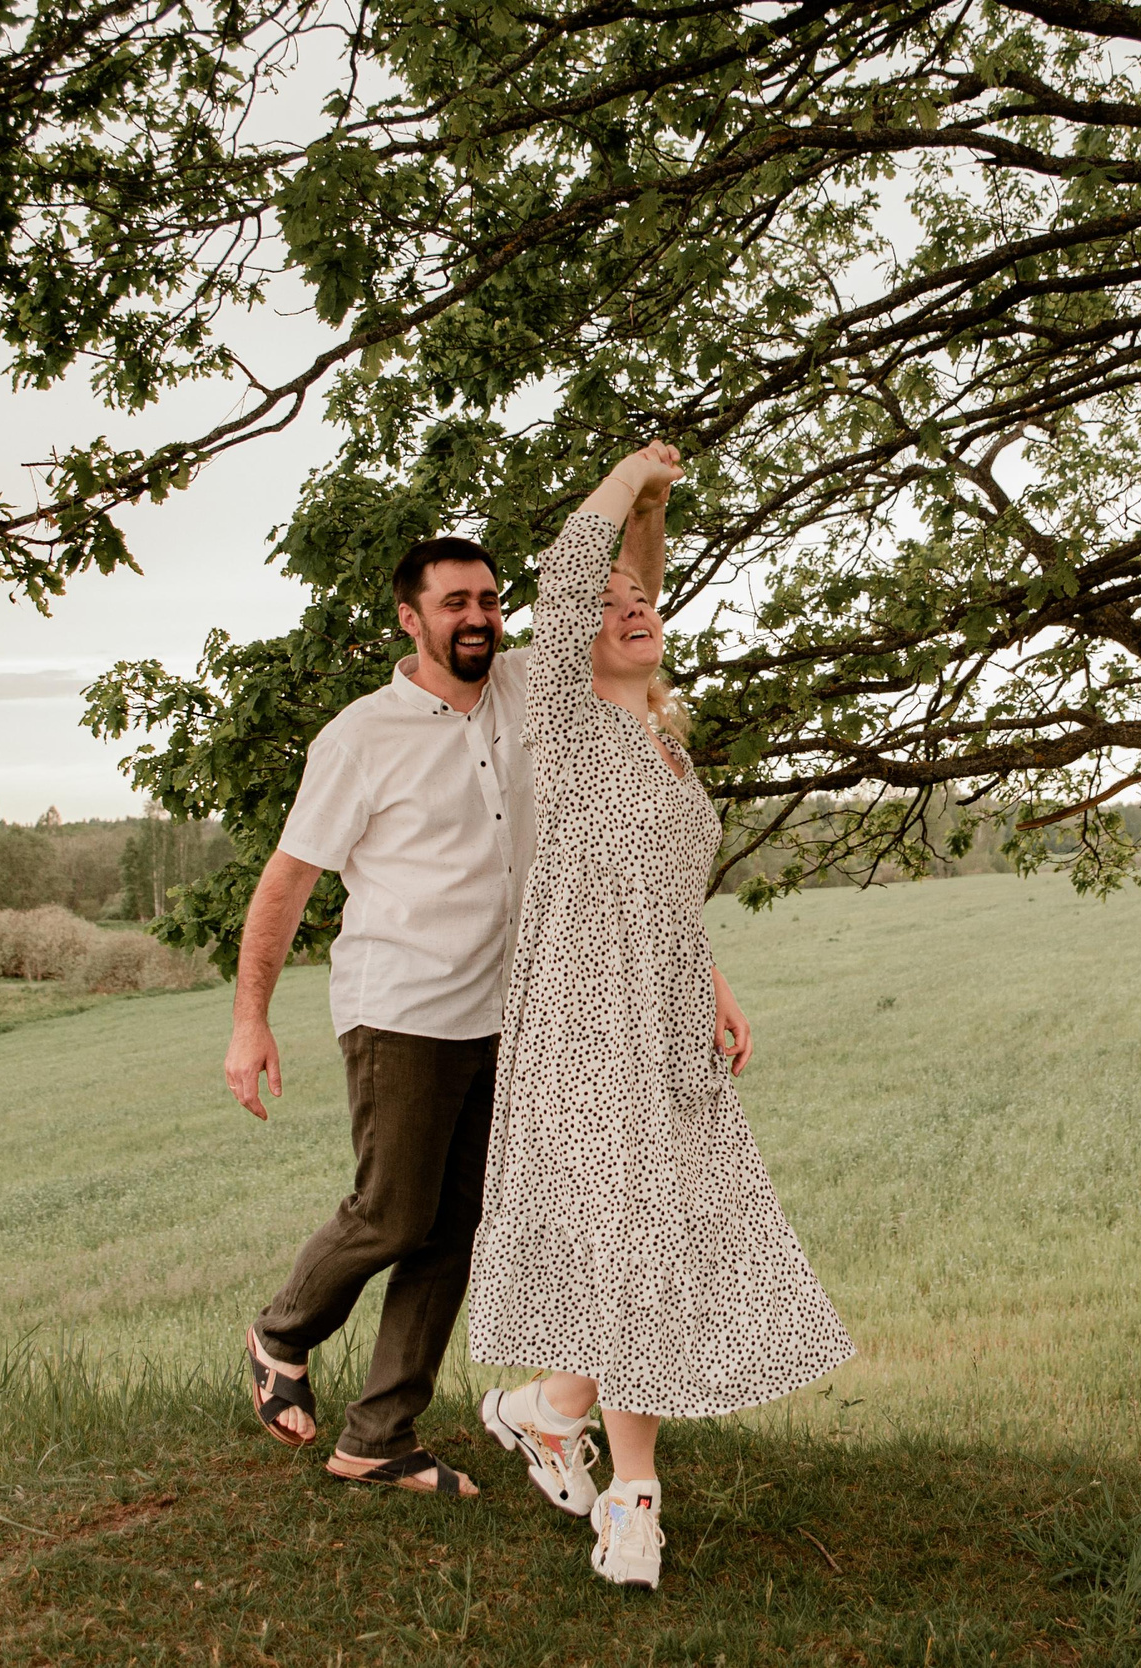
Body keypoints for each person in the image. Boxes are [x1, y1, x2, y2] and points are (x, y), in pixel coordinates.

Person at [468, 444, 854, 1590]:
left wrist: (718, 990)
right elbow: (569, 566)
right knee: (637, 1251)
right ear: (572, 637)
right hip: (585, 1026)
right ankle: (633, 1506)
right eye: (611, 607)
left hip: (666, 1020)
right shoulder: (569, 724)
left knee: (651, 1249)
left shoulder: (664, 748)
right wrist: (633, 474)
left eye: (645, 605)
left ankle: (549, 1409)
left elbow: (664, 900)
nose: (632, 611)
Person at [224, 503, 664, 1496]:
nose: (479, 615)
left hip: (510, 1017)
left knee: (457, 1225)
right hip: (403, 1011)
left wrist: (648, 502)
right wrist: (250, 1019)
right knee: (392, 1213)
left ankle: (379, 1437)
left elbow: (629, 601)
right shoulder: (360, 737)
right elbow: (287, 879)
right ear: (407, 620)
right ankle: (281, 1329)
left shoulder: (523, 689)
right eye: (454, 601)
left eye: (490, 599)